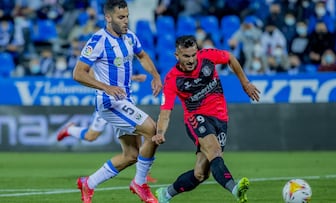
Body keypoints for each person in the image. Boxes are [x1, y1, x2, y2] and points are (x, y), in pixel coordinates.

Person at [71, 0, 162, 203]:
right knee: (152, 130)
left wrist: (156, 75)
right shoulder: (97, 41)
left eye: (127, 16)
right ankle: (139, 183)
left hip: (125, 100)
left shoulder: (130, 36)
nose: (126, 21)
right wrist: (106, 87)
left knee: (130, 155)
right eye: (121, 17)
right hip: (109, 102)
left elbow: (143, 55)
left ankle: (88, 183)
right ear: (108, 18)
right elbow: (78, 74)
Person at [151, 35, 260, 203]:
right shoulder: (173, 79)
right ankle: (235, 189)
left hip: (221, 117)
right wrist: (160, 132)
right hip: (196, 118)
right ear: (177, 56)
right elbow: (165, 112)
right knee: (215, 151)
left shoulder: (207, 57)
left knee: (200, 174)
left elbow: (230, 58)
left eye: (193, 55)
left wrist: (245, 83)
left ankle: (165, 194)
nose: (191, 60)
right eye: (186, 56)